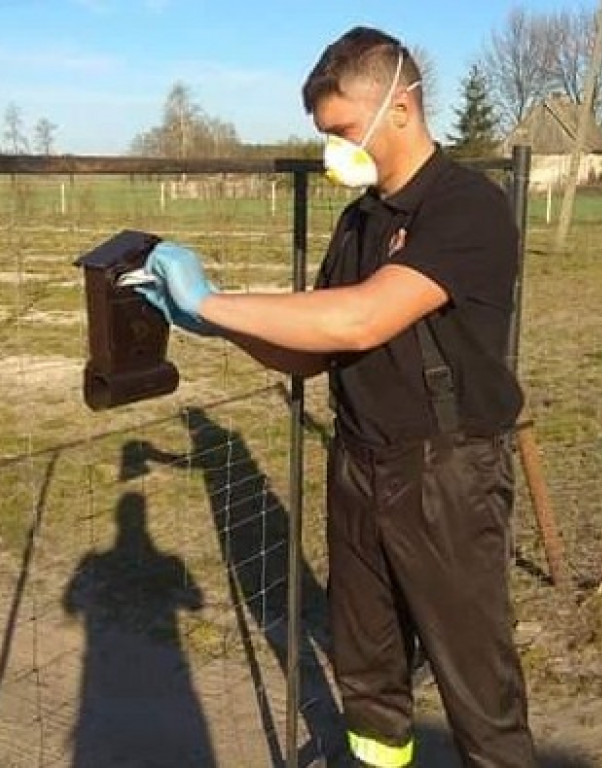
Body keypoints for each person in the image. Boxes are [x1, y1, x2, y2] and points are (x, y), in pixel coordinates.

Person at [137, 26, 536, 768]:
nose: (334, 150)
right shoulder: (360, 220)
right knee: (368, 673)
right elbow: (312, 351)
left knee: (477, 685)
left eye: (344, 131)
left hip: (445, 475)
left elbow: (362, 318)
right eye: (325, 134)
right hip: (358, 464)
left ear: (401, 108)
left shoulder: (465, 208)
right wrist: (210, 325)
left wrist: (218, 300)